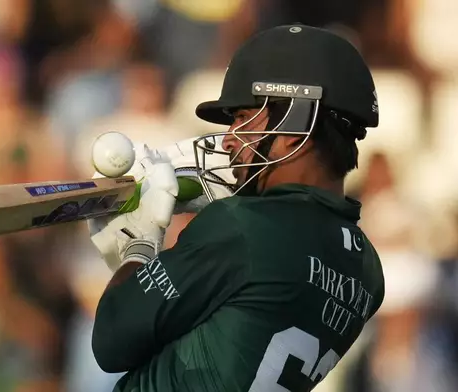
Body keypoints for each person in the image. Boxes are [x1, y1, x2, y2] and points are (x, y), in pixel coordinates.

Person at [87, 24, 385, 392]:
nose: (229, 139)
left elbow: (112, 339)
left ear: (296, 123)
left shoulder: (243, 226)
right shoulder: (368, 269)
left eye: (244, 118)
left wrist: (139, 243)